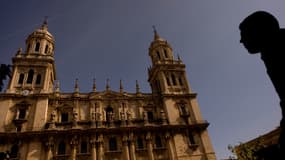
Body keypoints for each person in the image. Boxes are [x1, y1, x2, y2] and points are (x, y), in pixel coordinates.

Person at [239, 11, 285, 154]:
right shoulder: (271, 50)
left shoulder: (277, 50)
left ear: (258, 31)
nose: (241, 41)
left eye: (244, 35)